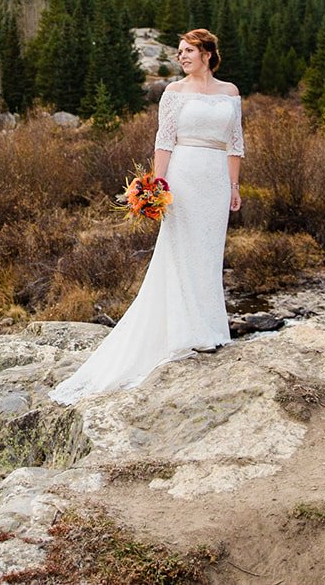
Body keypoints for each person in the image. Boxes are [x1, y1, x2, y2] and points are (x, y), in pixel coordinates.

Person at [50, 27, 244, 404]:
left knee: (208, 252)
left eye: (188, 50)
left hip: (216, 180)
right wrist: (157, 185)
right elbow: (164, 141)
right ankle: (185, 333)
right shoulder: (173, 93)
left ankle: (211, 328)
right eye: (179, 51)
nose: (181, 56)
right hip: (184, 176)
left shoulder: (230, 93)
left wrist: (234, 185)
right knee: (181, 250)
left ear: (207, 53)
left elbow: (234, 143)